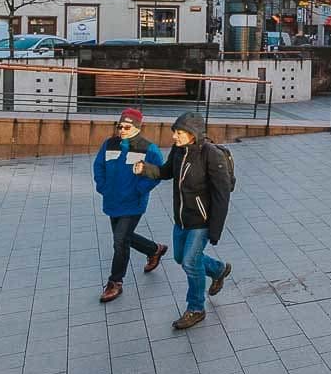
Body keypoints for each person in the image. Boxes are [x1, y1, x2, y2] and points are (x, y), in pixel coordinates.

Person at [135, 112, 232, 330]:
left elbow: (221, 195)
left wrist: (215, 230)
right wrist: (146, 169)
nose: (175, 137)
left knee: (190, 262)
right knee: (181, 257)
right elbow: (167, 172)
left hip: (202, 220)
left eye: (179, 133)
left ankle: (196, 308)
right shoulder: (179, 151)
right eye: (175, 133)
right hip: (181, 218)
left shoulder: (211, 155)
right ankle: (217, 270)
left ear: (193, 134)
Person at [93, 108, 167, 303]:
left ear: (137, 128)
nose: (122, 130)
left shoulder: (149, 149)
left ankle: (115, 282)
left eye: (127, 127)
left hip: (133, 204)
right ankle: (154, 249)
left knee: (119, 241)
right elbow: (98, 165)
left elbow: (157, 173)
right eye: (120, 126)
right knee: (124, 237)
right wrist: (103, 186)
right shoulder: (110, 144)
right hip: (112, 201)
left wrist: (139, 190)